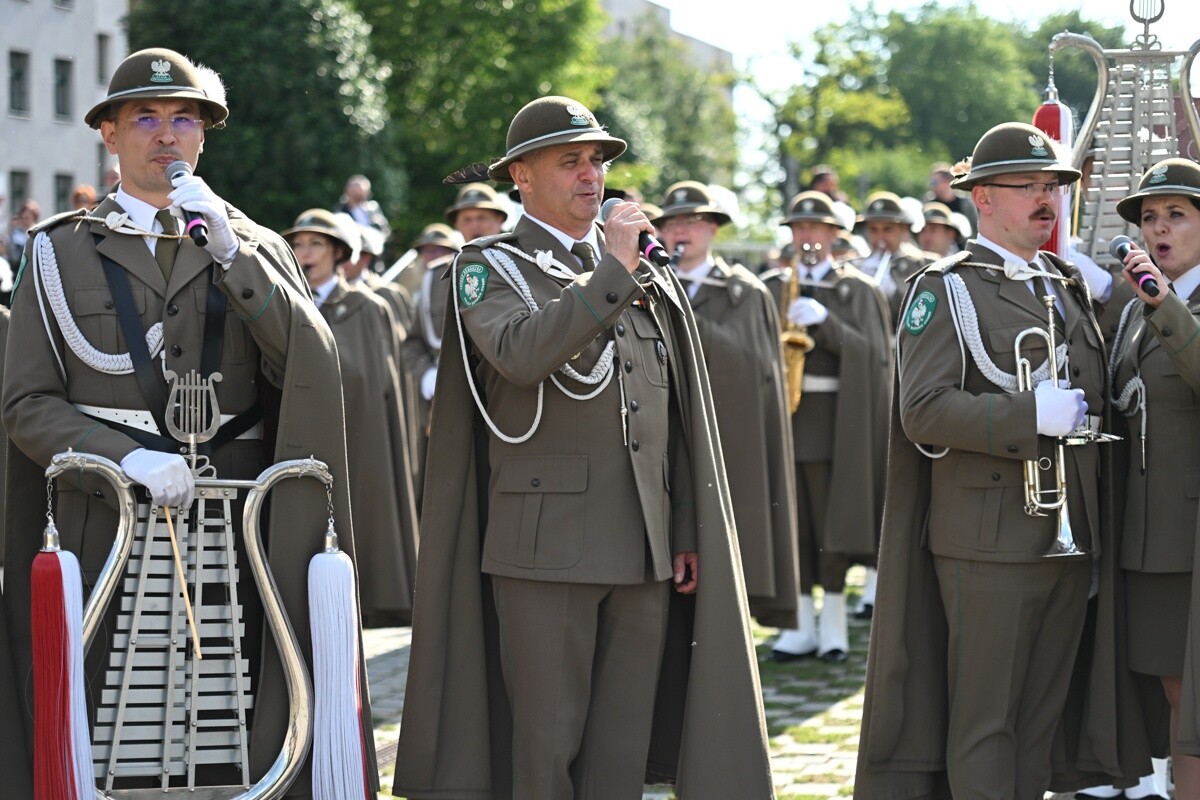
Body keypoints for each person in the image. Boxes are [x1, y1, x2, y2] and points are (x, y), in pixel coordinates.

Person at [2, 47, 376, 796]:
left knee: (230, 729)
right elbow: (25, 404)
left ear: (205, 136)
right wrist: (123, 458)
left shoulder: (255, 245)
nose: (166, 135)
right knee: (103, 734)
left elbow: (308, 366)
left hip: (237, 530)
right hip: (104, 520)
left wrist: (235, 257)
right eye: (144, 116)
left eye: (185, 118)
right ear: (109, 134)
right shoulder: (56, 252)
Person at [392, 95, 772, 800]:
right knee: (547, 746)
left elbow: (674, 416)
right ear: (522, 178)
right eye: (570, 161)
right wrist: (613, 274)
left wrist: (684, 525)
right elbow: (521, 353)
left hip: (644, 543)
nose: (591, 176)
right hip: (545, 548)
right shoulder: (488, 267)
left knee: (618, 753)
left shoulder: (638, 273)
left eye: (597, 161)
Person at [856, 122, 1135, 798]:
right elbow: (919, 410)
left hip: (1069, 542)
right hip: (987, 542)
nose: (1048, 200)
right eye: (1030, 188)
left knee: (1039, 726)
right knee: (986, 727)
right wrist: (1027, 417)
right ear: (982, 197)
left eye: (1053, 187)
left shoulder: (1064, 283)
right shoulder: (945, 288)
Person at [656, 180, 800, 628]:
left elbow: (756, 371)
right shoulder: (644, 283)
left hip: (725, 438)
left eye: (693, 221)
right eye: (674, 222)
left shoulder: (745, 291)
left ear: (714, 228)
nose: (682, 231)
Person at [1107, 156, 1200, 797]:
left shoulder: (1158, 302)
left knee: (1193, 701)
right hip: (1149, 534)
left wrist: (1166, 307)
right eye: (1148, 218)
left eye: (1176, 215)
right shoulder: (1136, 306)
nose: (1158, 230)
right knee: (1174, 694)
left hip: (1191, 532)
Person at [766, 190, 891, 663]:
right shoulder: (776, 285)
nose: (808, 237)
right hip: (787, 420)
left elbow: (875, 355)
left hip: (836, 422)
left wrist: (827, 323)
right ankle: (798, 625)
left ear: (835, 234)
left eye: (817, 228)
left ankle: (833, 622)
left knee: (831, 523)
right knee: (792, 522)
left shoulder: (856, 288)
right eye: (800, 228)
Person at [284, 208, 419, 628]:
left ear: (338, 251)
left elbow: (379, 383)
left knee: (361, 510)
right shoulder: (286, 303)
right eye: (298, 243)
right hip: (300, 435)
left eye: (315, 244)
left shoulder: (367, 307)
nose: (305, 253)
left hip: (358, 432)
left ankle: (368, 597)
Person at [852, 190, 931, 320]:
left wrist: (896, 292)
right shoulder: (855, 265)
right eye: (873, 230)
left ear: (903, 229)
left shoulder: (923, 264)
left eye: (887, 229)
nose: (880, 237)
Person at [927, 160, 978, 236]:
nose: (932, 185)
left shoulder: (966, 204)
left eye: (934, 182)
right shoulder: (928, 204)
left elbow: (976, 229)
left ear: (947, 182)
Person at [333, 173, 390, 237]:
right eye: (357, 188)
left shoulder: (373, 208)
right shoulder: (340, 210)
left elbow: (385, 230)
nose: (363, 191)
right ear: (348, 190)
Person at [7, 199, 39, 269]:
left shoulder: (39, 232)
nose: (25, 221)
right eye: (23, 218)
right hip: (19, 268)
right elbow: (13, 254)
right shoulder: (16, 232)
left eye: (27, 218)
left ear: (34, 217)